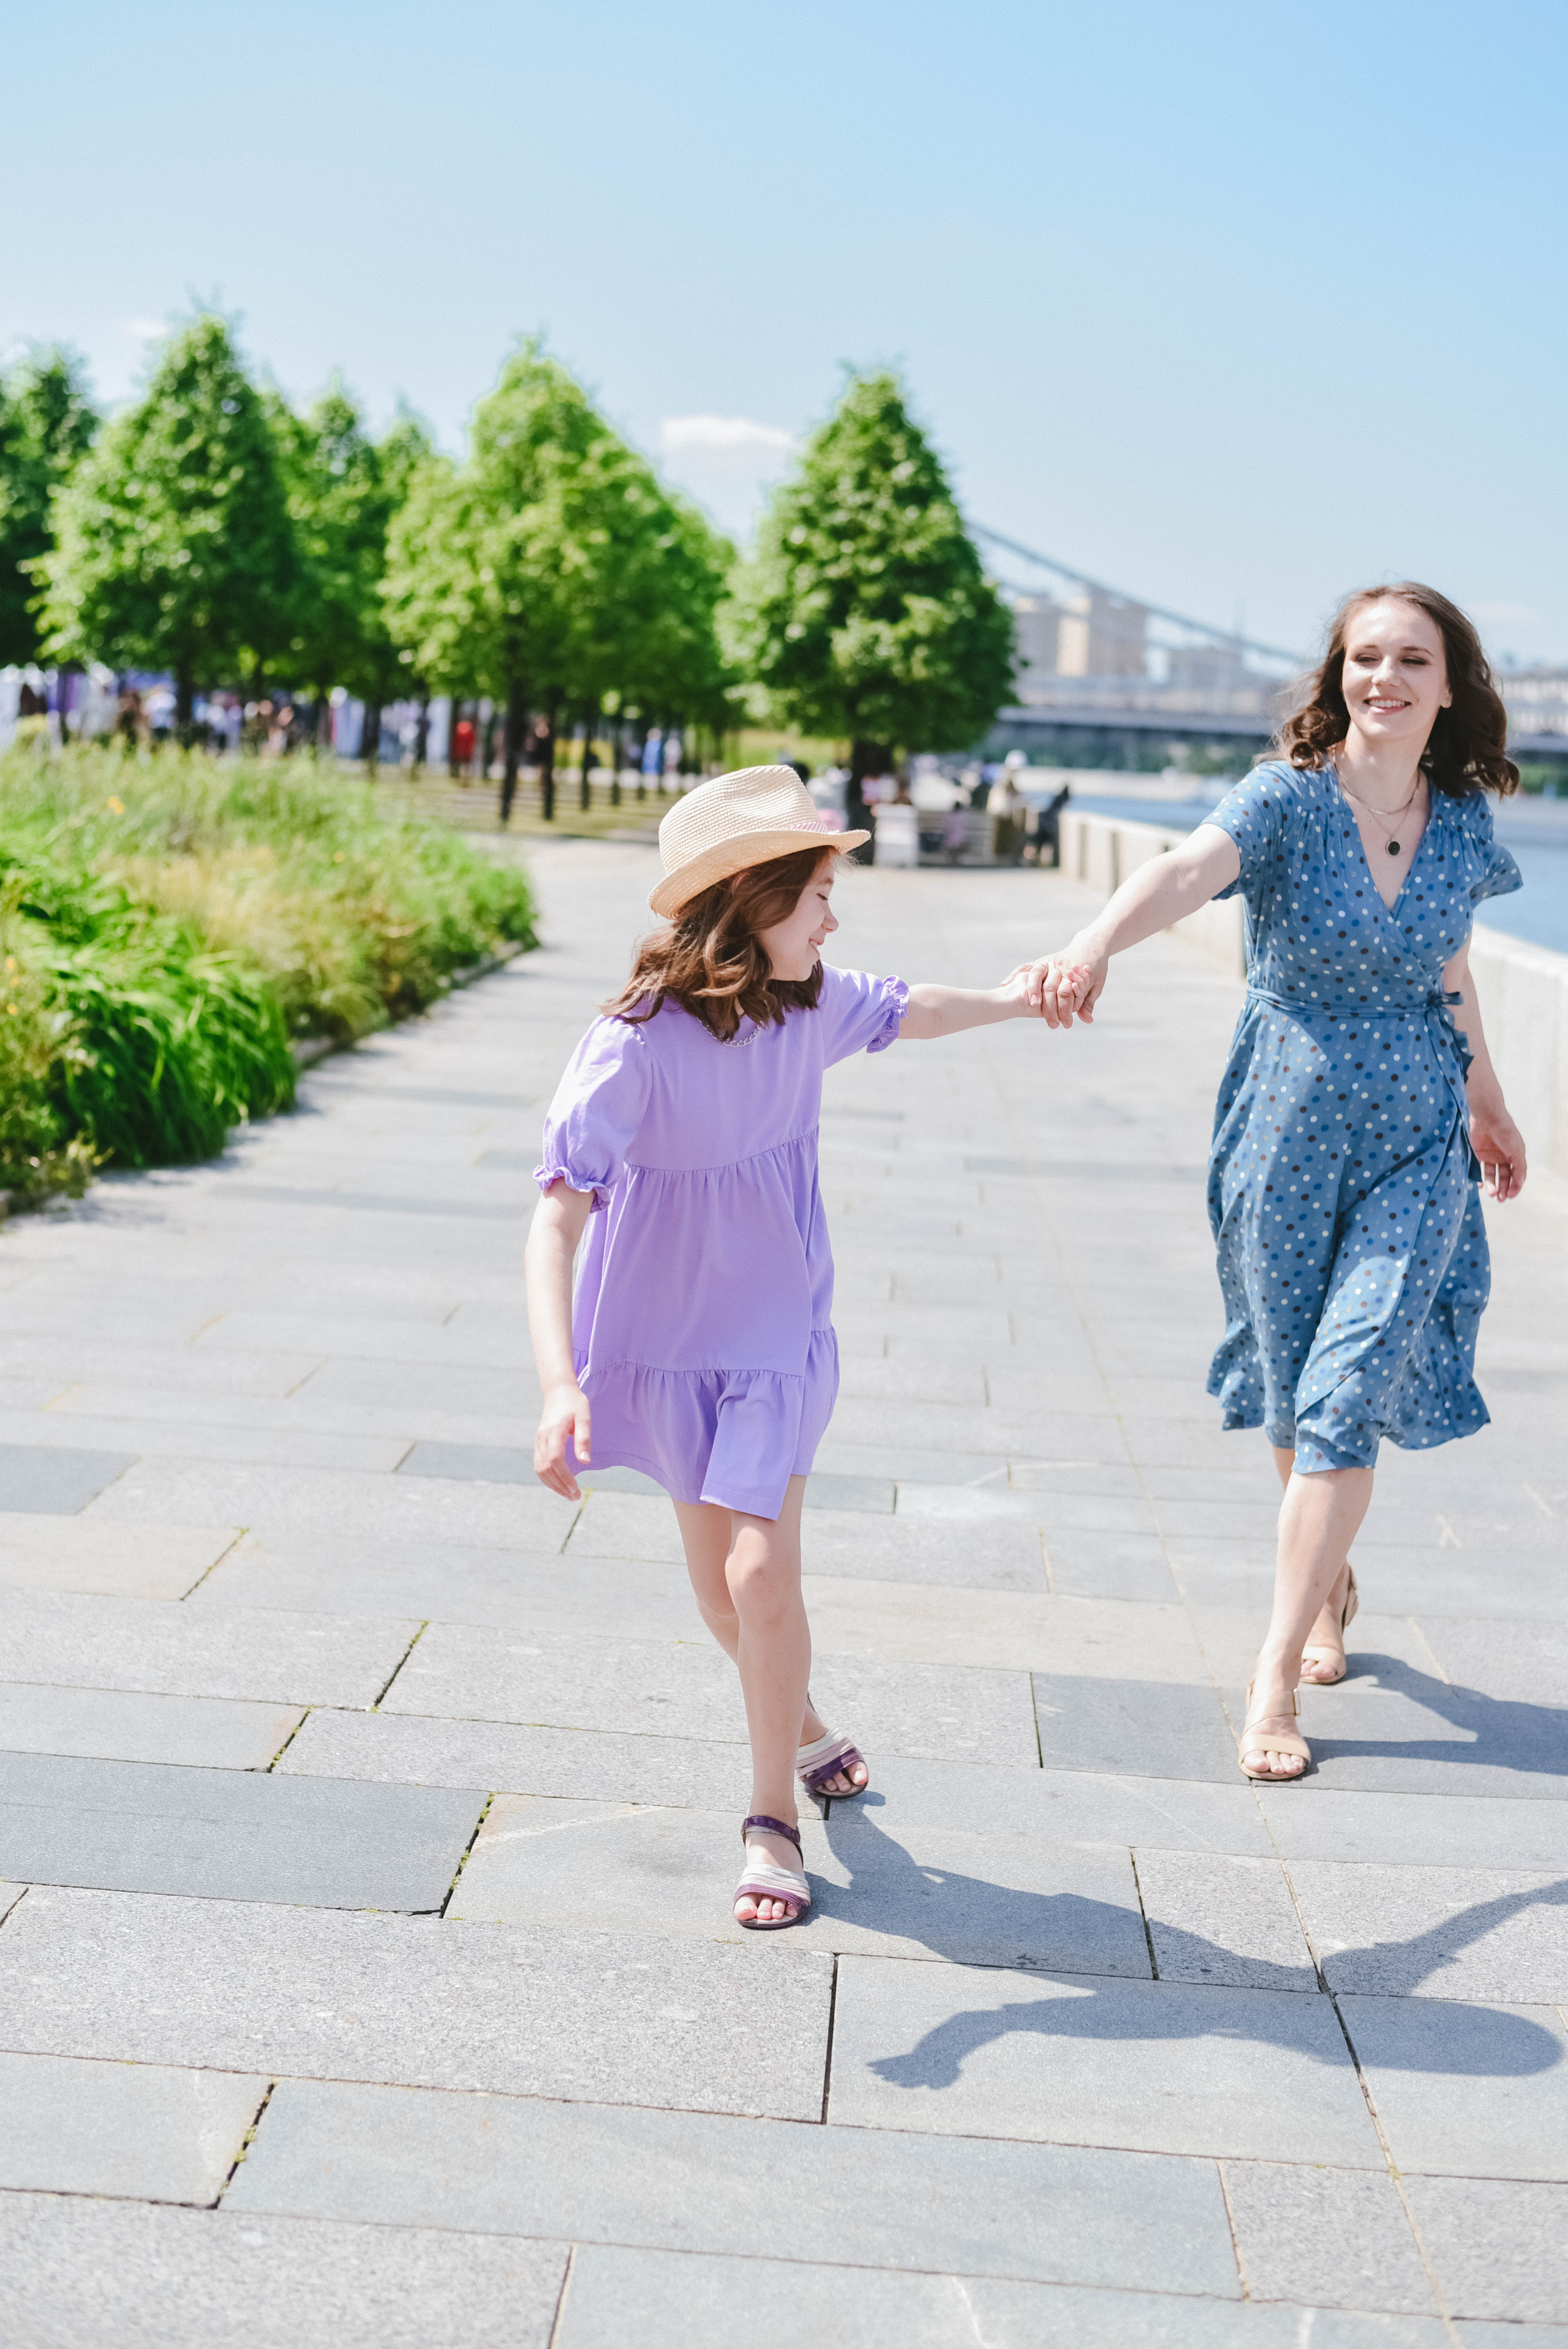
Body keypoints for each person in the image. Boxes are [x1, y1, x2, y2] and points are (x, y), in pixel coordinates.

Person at [527, 765, 1057, 1927]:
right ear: (752, 897)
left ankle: (770, 1815)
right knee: (723, 1599)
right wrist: (559, 1383)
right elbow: (556, 1213)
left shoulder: (810, 1006)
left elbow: (914, 1007)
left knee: (762, 1575)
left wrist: (1020, 998)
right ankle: (809, 1727)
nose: (834, 915)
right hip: (662, 1348)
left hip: (775, 1337)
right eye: (819, 890)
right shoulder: (631, 1046)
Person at [1021, 584, 1526, 1782]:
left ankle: (1270, 1674)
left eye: (1412, 659)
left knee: (1344, 1390)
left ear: (1448, 684)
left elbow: (1448, 964)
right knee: (1295, 1386)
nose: (1384, 678)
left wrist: (1487, 1101)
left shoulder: (1457, 821)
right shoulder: (1287, 800)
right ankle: (1329, 1575)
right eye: (1364, 657)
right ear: (1335, 674)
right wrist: (1092, 942)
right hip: (1283, 1132)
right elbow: (1184, 871)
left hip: (1413, 1139)